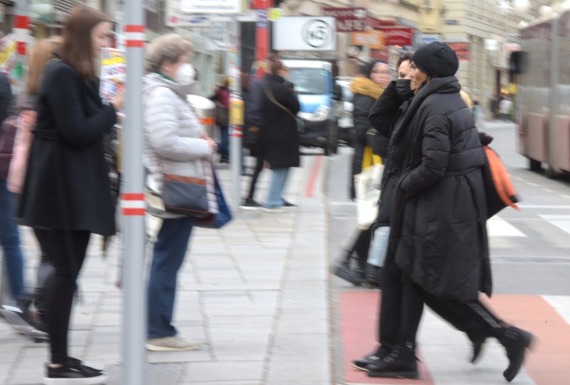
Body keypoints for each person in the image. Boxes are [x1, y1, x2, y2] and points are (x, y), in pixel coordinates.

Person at [359, 41, 533, 382]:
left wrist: (405, 186)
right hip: (435, 204)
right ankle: (400, 351)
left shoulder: (437, 106)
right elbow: (384, 125)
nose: (406, 73)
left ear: (426, 71)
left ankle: (503, 335)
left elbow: (433, 165)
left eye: (412, 68)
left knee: (423, 279)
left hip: (436, 206)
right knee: (414, 277)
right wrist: (401, 85)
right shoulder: (435, 98)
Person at [17, 5, 122, 383]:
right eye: (101, 35)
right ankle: (57, 362)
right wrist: (113, 110)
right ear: (82, 35)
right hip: (58, 189)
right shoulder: (60, 73)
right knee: (65, 274)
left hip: (75, 187)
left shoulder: (81, 73)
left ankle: (62, 358)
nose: (106, 42)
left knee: (69, 274)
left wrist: (109, 102)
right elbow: (77, 131)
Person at [143, 33, 217, 351]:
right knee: (167, 259)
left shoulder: (168, 92)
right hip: (174, 187)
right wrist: (204, 145)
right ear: (168, 63)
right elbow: (165, 141)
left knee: (167, 257)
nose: (188, 67)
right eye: (185, 61)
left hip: (179, 183)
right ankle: (158, 330)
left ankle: (157, 325)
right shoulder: (161, 94)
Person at [7, 36, 62, 331]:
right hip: (41, 185)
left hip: (24, 184)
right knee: (53, 251)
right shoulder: (46, 101)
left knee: (48, 249)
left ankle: (34, 304)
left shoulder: (27, 96)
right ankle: (34, 305)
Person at [257, 55, 301, 212]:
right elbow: (296, 106)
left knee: (281, 165)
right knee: (281, 166)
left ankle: (277, 197)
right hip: (282, 132)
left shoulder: (264, 85)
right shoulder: (281, 87)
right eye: (285, 69)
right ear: (279, 70)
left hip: (270, 130)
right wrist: (292, 92)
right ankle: (273, 199)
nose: (287, 72)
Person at [0, 68, 24, 305]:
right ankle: (18, 300)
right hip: (1, 171)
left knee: (10, 239)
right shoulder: (3, 81)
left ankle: (17, 299)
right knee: (10, 239)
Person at [211, 77, 230, 163]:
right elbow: (228, 105)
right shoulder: (224, 91)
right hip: (225, 117)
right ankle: (220, 151)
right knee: (225, 138)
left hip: (221, 118)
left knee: (223, 137)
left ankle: (224, 156)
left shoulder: (219, 91)